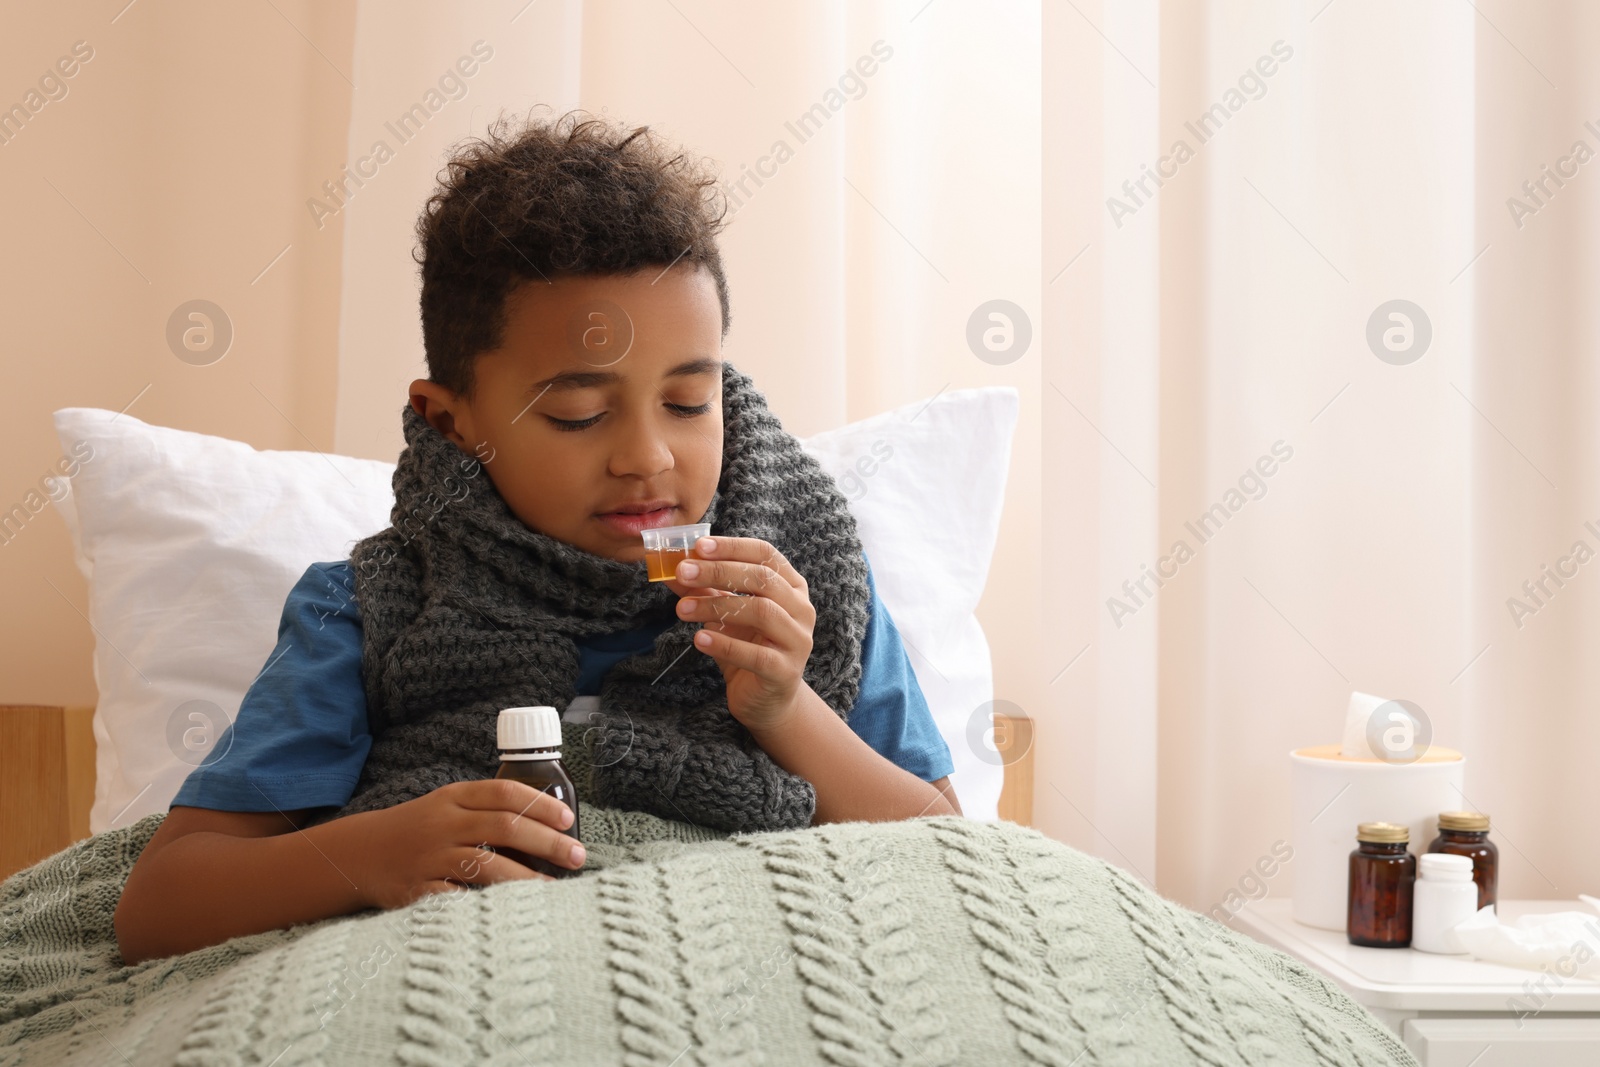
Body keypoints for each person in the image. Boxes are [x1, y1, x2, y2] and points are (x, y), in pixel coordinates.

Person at [114, 109, 959, 965]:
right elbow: (161, 903)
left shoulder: (804, 587)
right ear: (451, 420)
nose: (647, 456)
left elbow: (953, 849)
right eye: (577, 414)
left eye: (688, 402)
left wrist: (783, 706)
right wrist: (369, 853)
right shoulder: (368, 610)